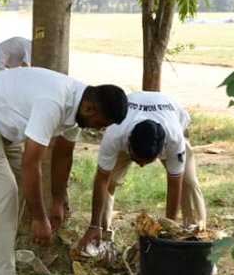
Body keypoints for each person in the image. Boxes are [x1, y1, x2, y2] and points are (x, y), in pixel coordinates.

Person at [0, 68, 128, 275]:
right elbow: (31, 164)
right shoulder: (53, 102)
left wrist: (57, 199)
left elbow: (63, 156)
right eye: (100, 124)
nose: (98, 129)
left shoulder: (79, 104)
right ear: (89, 109)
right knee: (4, 191)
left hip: (0, 126)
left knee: (21, 186)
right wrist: (39, 218)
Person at [75, 92, 206, 253]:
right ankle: (102, 238)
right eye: (138, 159)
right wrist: (93, 225)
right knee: (110, 181)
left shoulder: (174, 139)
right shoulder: (115, 132)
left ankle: (195, 240)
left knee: (188, 183)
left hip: (170, 120)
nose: (142, 165)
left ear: (163, 147)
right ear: (128, 140)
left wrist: (168, 232)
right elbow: (101, 180)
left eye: (147, 161)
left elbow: (174, 185)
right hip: (128, 130)